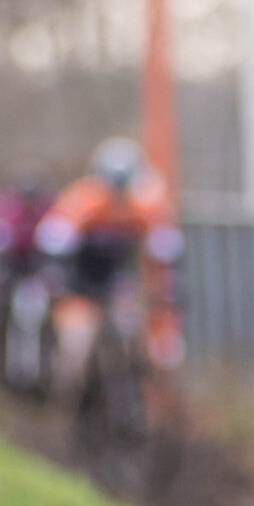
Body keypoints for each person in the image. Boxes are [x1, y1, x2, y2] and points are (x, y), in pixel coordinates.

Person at [33, 137, 184, 409]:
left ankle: (129, 403)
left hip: (116, 282)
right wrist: (55, 281)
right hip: (78, 283)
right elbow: (52, 244)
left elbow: (164, 249)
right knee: (76, 347)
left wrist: (166, 287)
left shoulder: (144, 204)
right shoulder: (81, 202)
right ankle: (64, 404)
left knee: (130, 336)